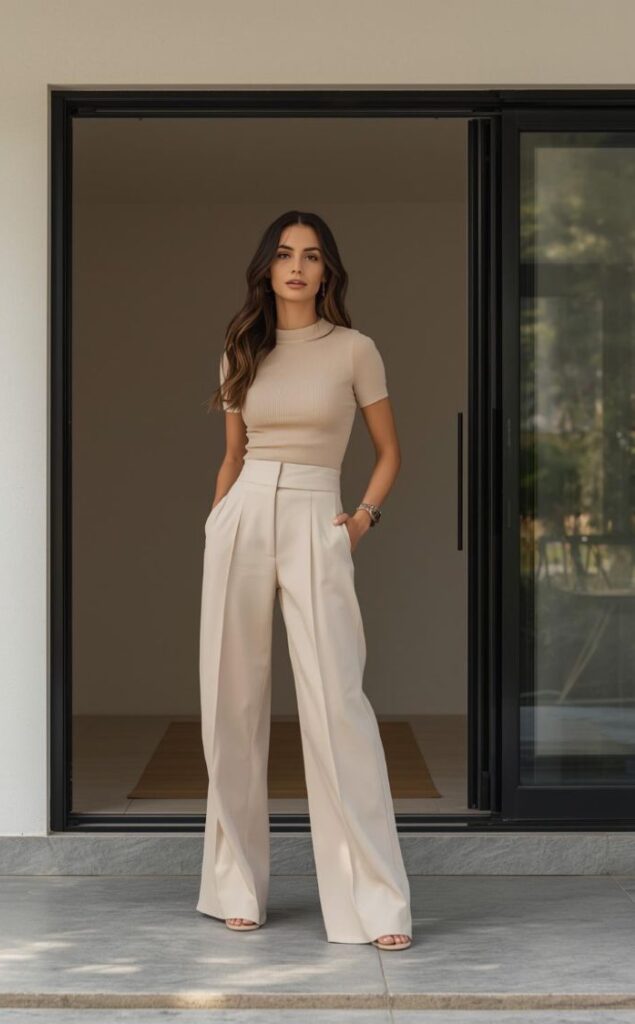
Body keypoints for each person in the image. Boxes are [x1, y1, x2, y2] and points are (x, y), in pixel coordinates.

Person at [196, 210, 412, 951]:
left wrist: (358, 522)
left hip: (320, 516)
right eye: (285, 254)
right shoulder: (239, 348)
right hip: (244, 512)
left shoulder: (355, 350)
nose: (297, 266)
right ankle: (234, 886)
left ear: (327, 272)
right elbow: (233, 451)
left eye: (312, 255)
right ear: (267, 267)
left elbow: (388, 451)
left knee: (337, 707)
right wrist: (217, 521)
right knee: (231, 700)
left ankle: (374, 903)